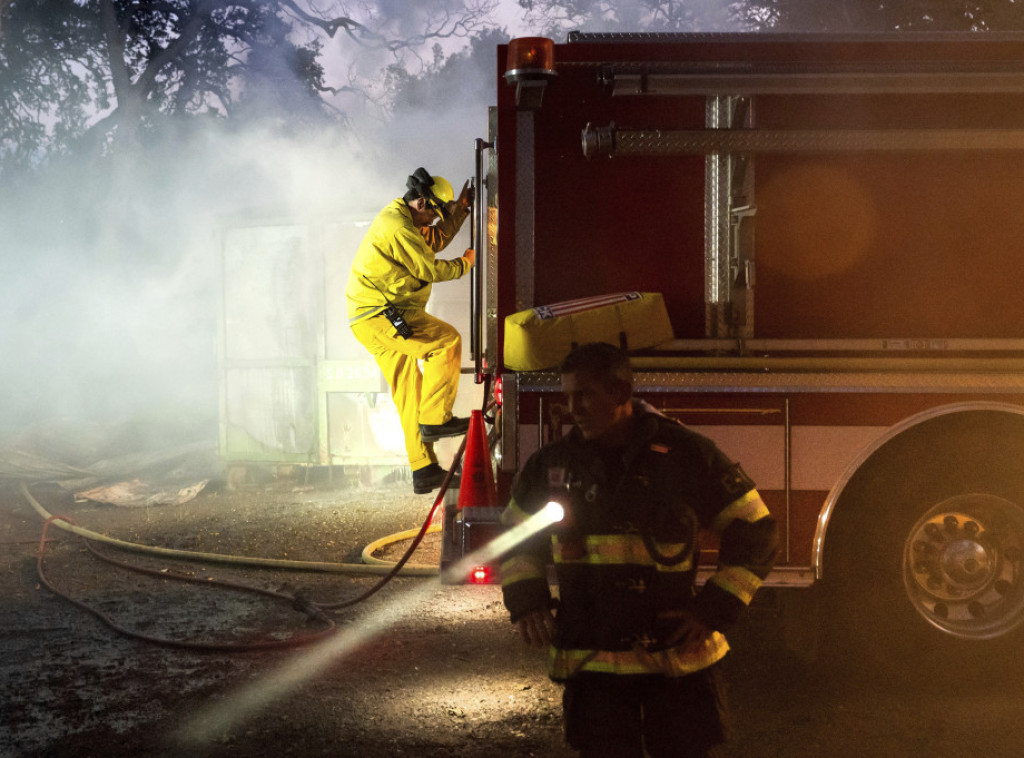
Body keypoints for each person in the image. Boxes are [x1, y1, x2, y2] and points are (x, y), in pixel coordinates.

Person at [500, 342, 778, 758]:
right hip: (592, 656)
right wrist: (527, 602)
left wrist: (713, 608)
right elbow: (518, 537)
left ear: (621, 393)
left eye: (585, 395)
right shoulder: (551, 466)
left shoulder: (686, 455)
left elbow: (755, 527)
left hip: (675, 656)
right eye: (568, 396)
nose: (572, 408)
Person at [346, 167, 476, 494]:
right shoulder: (398, 227)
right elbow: (429, 267)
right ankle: (435, 419)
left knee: (408, 393)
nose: (434, 220)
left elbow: (434, 240)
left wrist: (457, 210)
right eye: (433, 212)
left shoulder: (408, 220)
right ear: (421, 202)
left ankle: (423, 469)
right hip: (382, 313)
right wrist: (468, 261)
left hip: (372, 315)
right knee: (446, 343)